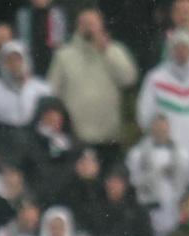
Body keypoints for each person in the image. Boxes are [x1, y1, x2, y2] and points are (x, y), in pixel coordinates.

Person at [46, 8, 137, 157]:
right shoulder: (64, 55)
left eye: (92, 23)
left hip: (109, 136)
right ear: (77, 26)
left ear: (101, 25)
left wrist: (106, 52)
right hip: (76, 136)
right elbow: (52, 90)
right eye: (85, 23)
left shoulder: (115, 50)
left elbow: (129, 79)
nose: (89, 27)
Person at [136, 31, 189, 172]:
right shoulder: (155, 78)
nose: (181, 52)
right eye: (178, 48)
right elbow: (145, 113)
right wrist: (158, 137)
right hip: (164, 152)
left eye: (185, 48)